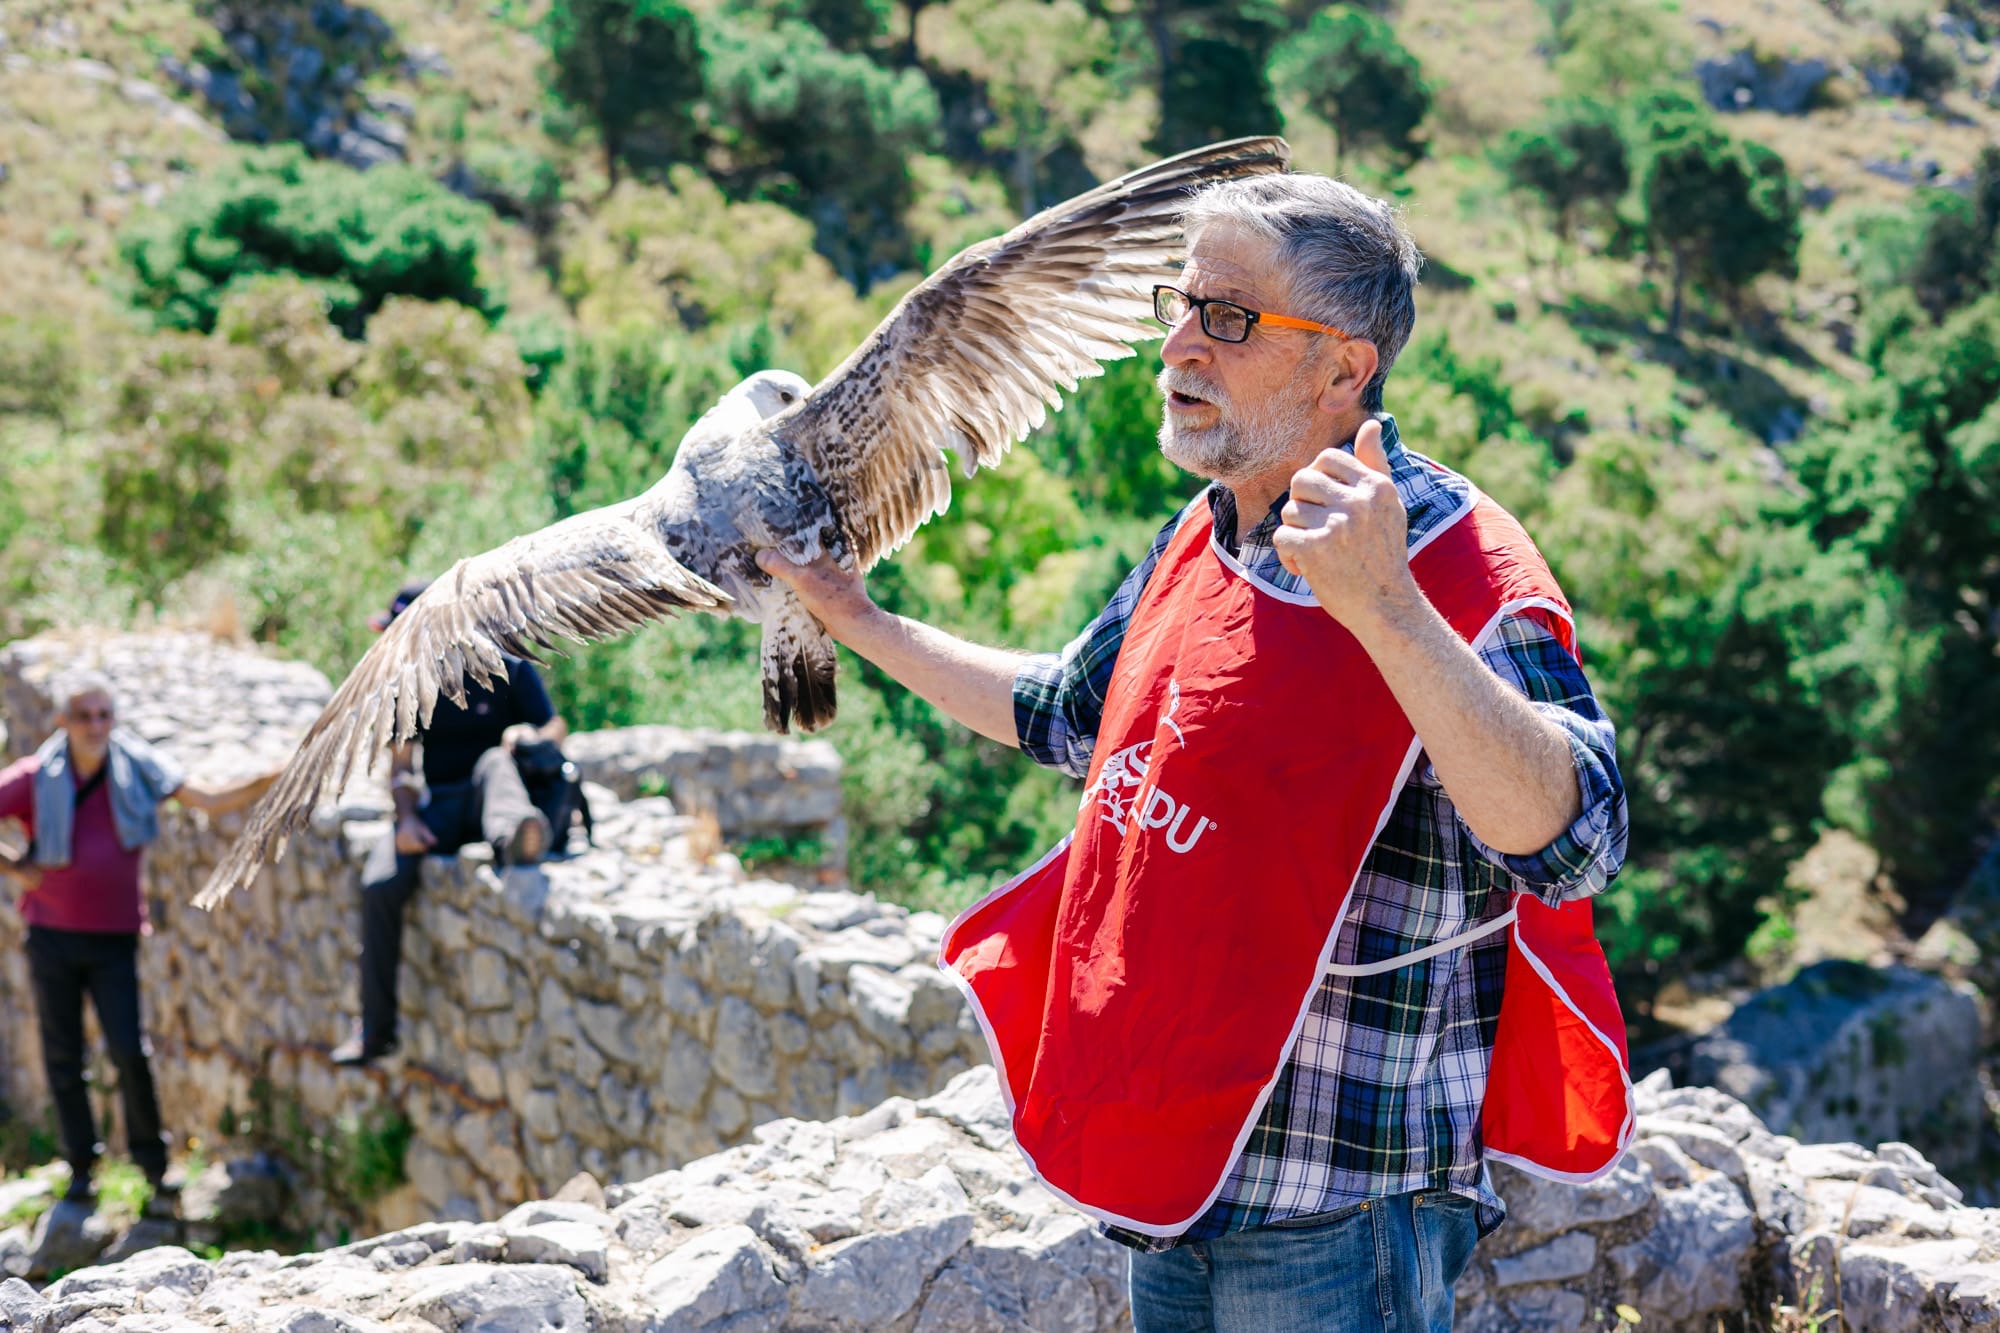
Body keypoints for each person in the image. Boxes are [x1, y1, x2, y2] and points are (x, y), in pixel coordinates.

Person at [762, 172, 1631, 1331]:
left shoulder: (1460, 562)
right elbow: (1071, 711)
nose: (1175, 342)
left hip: (1340, 1212)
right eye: (1181, 304)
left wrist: (1387, 606)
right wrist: (856, 618)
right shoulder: (1207, 529)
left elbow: (1577, 841)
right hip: (1179, 1177)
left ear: (1342, 367)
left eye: (1227, 316)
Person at [0, 671, 277, 1205]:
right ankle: (81, 1170)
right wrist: (16, 867)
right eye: (84, 716)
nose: (96, 726)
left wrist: (273, 777)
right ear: (63, 722)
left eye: (104, 714)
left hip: (114, 937)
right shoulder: (37, 776)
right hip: (51, 934)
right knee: (63, 1056)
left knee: (129, 1050)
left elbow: (206, 799)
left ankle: (153, 1166)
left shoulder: (137, 767)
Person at [332, 580, 568, 1067]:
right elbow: (400, 770)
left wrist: (527, 733)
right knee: (380, 883)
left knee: (495, 764)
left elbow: (554, 727)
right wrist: (407, 820)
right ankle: (377, 1031)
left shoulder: (510, 664)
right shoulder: (410, 683)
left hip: (495, 795)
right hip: (441, 806)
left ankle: (518, 839)